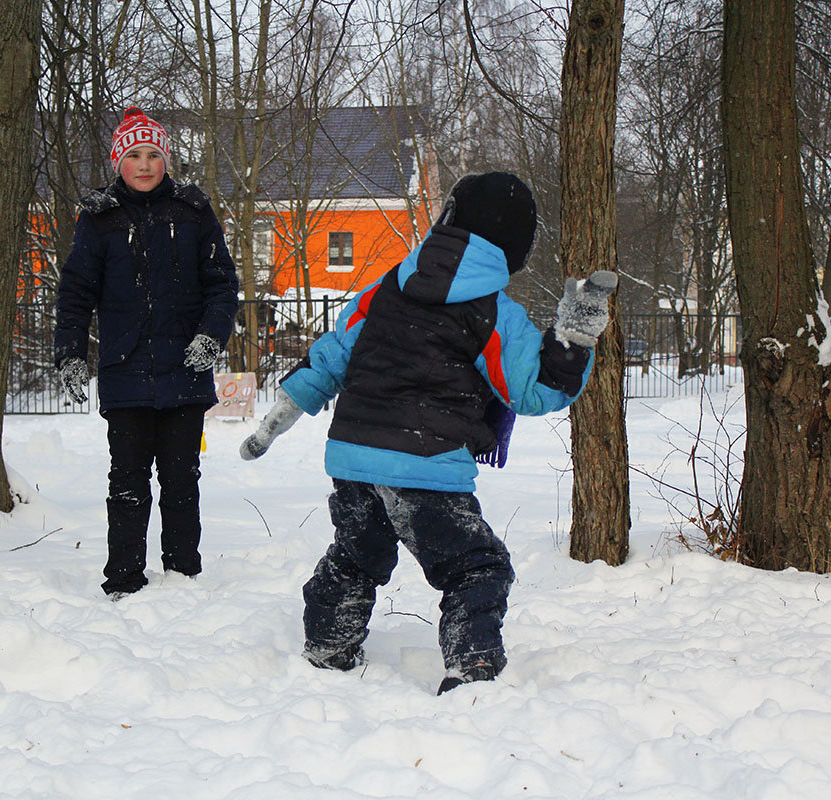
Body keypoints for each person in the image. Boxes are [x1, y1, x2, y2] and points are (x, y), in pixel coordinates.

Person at [239, 172, 616, 693]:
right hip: (427, 462)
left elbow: (333, 353)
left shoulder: (387, 285)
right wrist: (573, 336)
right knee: (475, 568)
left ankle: (328, 644)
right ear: (516, 248)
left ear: (448, 218)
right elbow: (532, 391)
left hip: (353, 458)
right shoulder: (494, 312)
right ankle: (472, 665)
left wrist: (282, 412)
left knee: (355, 555)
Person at [55, 106, 239, 600]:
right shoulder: (99, 219)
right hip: (125, 370)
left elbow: (222, 286)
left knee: (182, 479)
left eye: (154, 154)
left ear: (166, 160)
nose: (144, 164)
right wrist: (70, 353)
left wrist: (210, 337)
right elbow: (76, 292)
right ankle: (124, 580)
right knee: (128, 483)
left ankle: (183, 575)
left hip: (185, 371)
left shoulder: (194, 212)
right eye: (134, 154)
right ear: (119, 160)